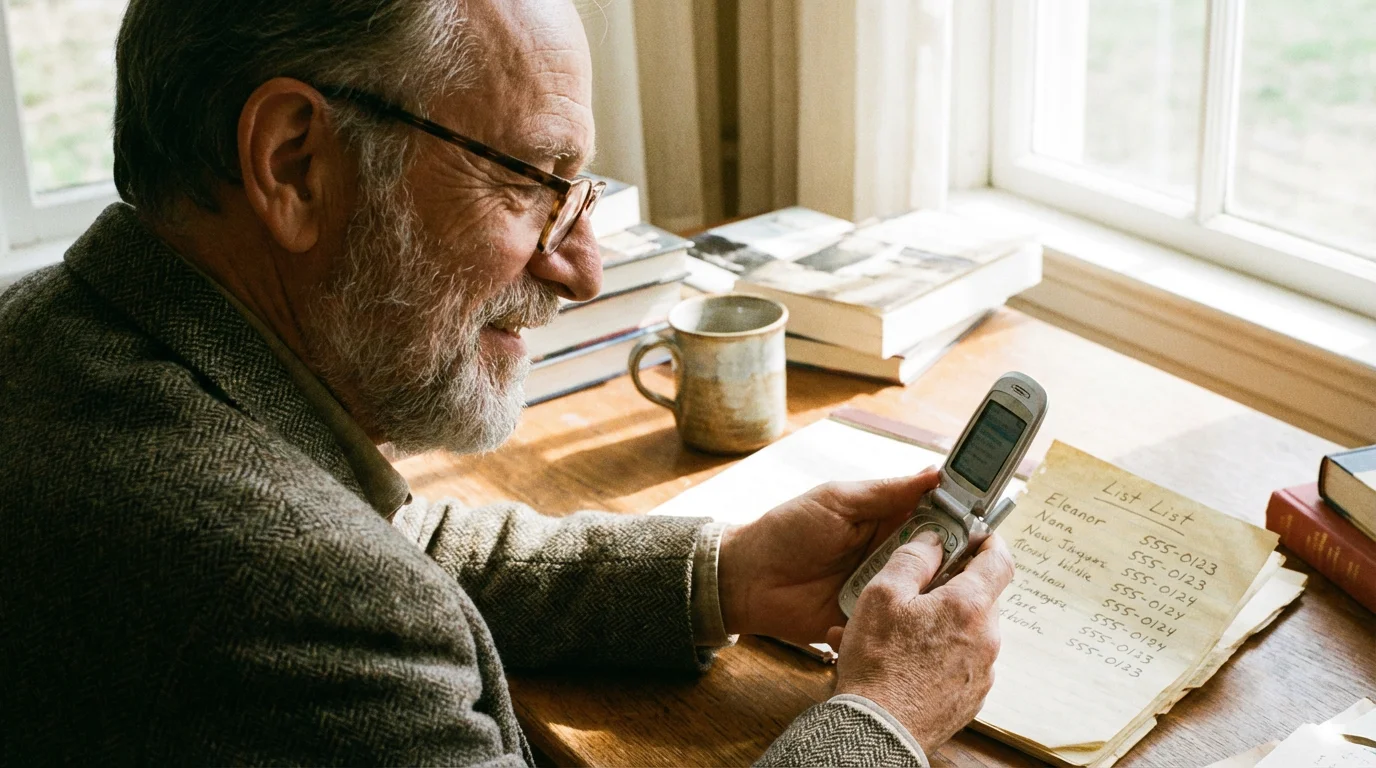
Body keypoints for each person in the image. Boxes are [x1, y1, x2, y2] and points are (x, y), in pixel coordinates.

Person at [0, 0, 1013, 765]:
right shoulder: (296, 601)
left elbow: (385, 536)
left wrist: (724, 576)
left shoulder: (58, 334)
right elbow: (341, 574)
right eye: (531, 181)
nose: (582, 269)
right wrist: (882, 720)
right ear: (295, 162)